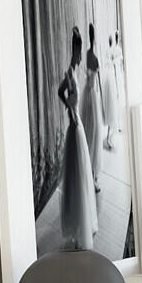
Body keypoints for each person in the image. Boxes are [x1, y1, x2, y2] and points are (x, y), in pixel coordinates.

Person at [55, 27, 95, 252]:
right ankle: (78, 224)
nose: (80, 57)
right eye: (79, 53)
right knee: (76, 177)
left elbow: (64, 94)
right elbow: (61, 92)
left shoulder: (74, 71)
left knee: (80, 175)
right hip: (75, 126)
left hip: (76, 125)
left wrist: (71, 108)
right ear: (76, 52)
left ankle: (81, 221)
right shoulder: (70, 73)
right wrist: (70, 111)